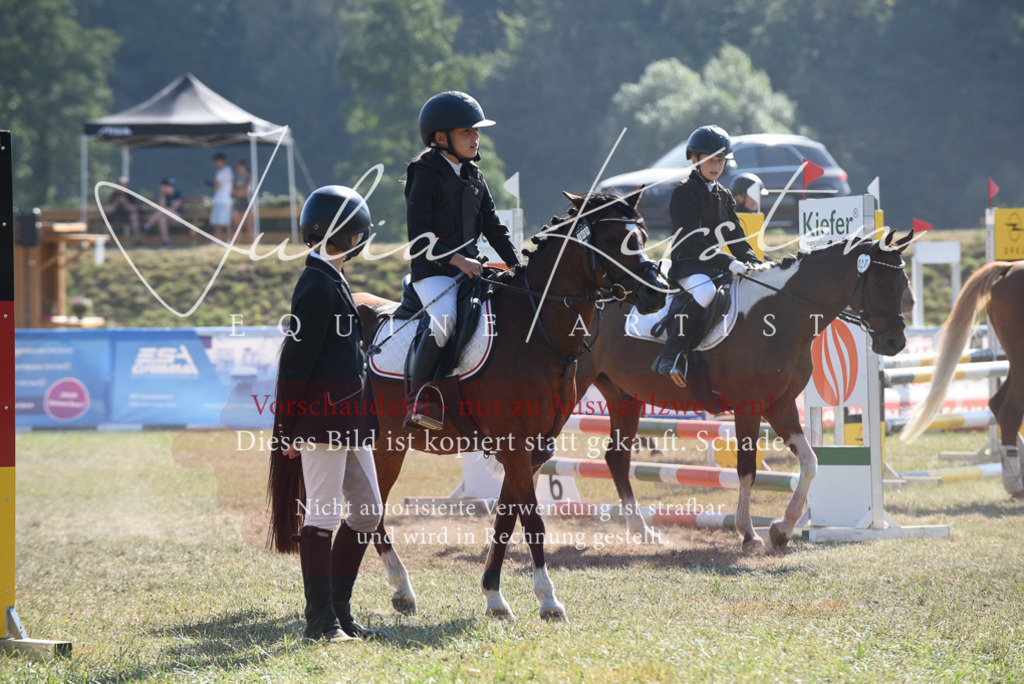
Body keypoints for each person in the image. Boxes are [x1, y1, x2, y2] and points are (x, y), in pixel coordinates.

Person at [269, 185, 385, 643]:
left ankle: (340, 609)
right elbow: (298, 362)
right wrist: (291, 429)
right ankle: (320, 620)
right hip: (321, 421)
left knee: (368, 513)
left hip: (350, 419)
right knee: (322, 514)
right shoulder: (316, 284)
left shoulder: (332, 277)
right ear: (350, 236)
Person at [402, 90, 522, 431]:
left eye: (476, 131)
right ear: (442, 138)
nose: (475, 137)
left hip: (471, 269)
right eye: (467, 132)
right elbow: (419, 237)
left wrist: (517, 266)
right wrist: (457, 260)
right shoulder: (423, 173)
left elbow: (494, 228)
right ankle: (419, 397)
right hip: (434, 272)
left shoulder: (474, 176)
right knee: (444, 320)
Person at [652, 125, 763, 387]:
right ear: (694, 159)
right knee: (706, 294)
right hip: (687, 265)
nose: (716, 166)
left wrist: (758, 264)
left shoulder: (724, 196)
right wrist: (728, 262)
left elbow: (736, 238)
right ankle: (671, 355)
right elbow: (693, 241)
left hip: (715, 267)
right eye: (710, 160)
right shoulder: (683, 192)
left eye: (720, 161)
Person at [144, 178, 183, 247]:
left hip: (176, 217)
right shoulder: (164, 195)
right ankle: (166, 241)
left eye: (168, 186)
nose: (166, 188)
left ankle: (147, 225)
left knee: (162, 211)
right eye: (165, 186)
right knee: (162, 220)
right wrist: (163, 195)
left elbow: (173, 209)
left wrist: (164, 209)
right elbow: (161, 206)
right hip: (165, 216)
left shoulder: (177, 194)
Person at [105, 176, 141, 244]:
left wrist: (125, 203)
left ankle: (137, 240)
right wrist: (115, 203)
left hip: (128, 216)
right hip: (116, 216)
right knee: (107, 218)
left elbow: (135, 208)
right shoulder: (114, 195)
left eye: (124, 185)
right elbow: (108, 209)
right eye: (120, 184)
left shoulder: (131, 194)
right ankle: (107, 241)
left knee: (134, 216)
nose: (122, 186)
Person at [209, 152, 233, 242]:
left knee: (218, 223)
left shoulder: (221, 172)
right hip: (226, 200)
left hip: (221, 201)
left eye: (216, 162)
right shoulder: (229, 170)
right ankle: (229, 241)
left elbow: (216, 187)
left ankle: (216, 241)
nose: (215, 164)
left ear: (221, 161)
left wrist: (208, 183)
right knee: (227, 223)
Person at [232, 159, 254, 241]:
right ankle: (236, 245)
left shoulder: (249, 177)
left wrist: (238, 191)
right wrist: (240, 192)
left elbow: (245, 190)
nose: (239, 169)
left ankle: (253, 244)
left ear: (244, 167)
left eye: (240, 167)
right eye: (238, 167)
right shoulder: (235, 178)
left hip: (246, 203)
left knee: (249, 226)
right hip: (238, 203)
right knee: (237, 227)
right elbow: (232, 190)